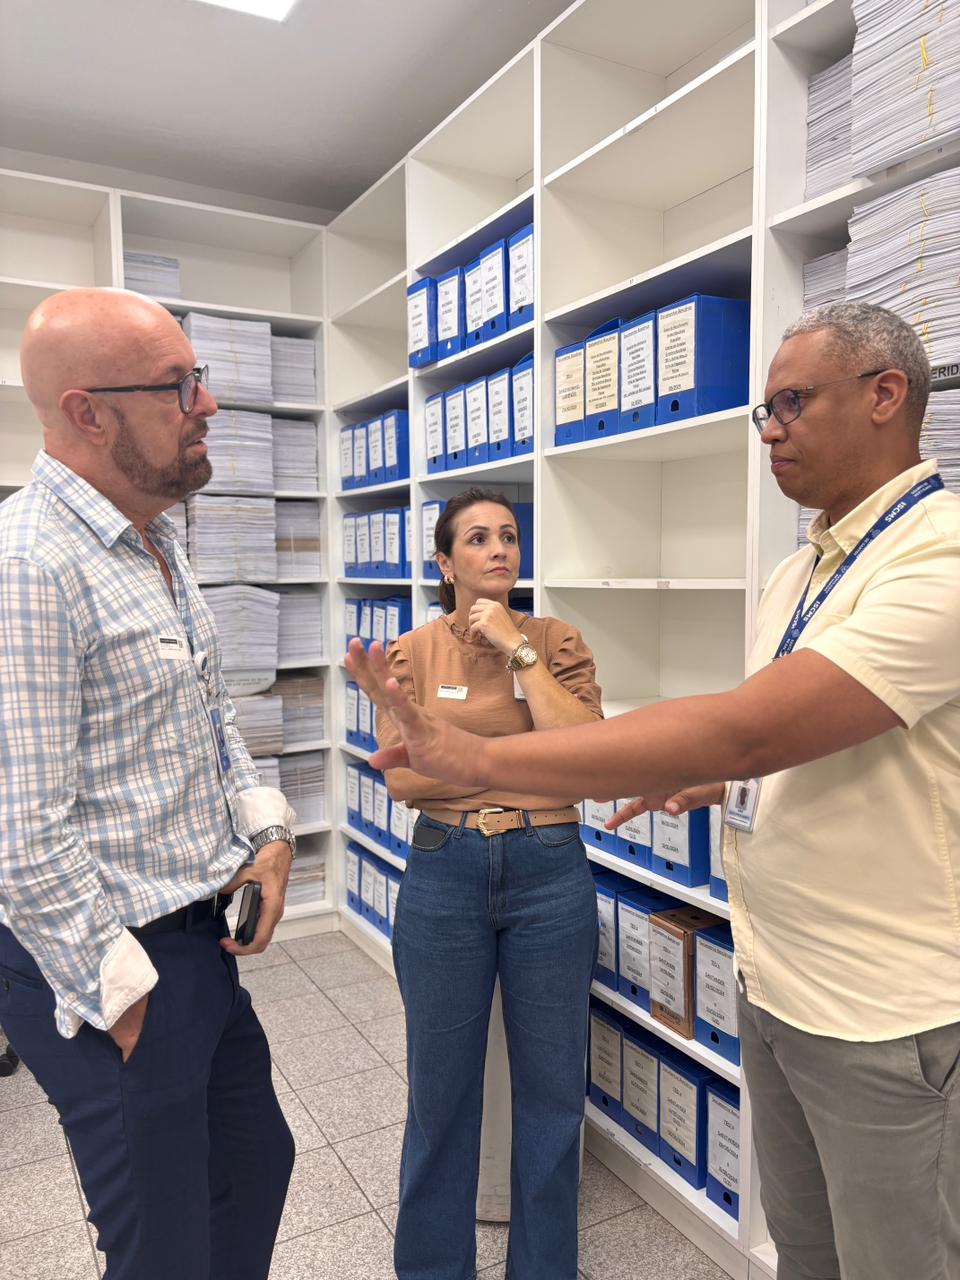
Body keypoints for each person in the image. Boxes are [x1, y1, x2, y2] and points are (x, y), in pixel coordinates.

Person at [347, 303, 960, 1280]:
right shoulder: (800, 573)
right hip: (776, 982)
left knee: (895, 1256)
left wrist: (478, 755)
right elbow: (801, 740)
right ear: (443, 559)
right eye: (763, 410)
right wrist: (717, 779)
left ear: (886, 395)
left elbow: (738, 726)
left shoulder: (938, 557)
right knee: (809, 1251)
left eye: (791, 403)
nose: (770, 431)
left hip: (879, 1008)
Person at [0, 288, 298, 1280]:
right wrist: (126, 1003)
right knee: (165, 1246)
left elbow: (211, 723)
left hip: (196, 937)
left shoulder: (157, 537)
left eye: (198, 377)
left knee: (253, 1170)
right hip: (105, 962)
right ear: (87, 412)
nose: (207, 404)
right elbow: (20, 835)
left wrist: (266, 832)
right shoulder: (28, 566)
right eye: (178, 385)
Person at [374, 487, 603, 1280]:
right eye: (476, 539)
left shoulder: (556, 641)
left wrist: (516, 649)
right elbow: (403, 779)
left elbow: (586, 754)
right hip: (445, 871)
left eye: (508, 536)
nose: (499, 549)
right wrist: (525, 769)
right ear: (445, 563)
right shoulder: (410, 653)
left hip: (550, 872)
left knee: (553, 1096)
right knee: (439, 1095)